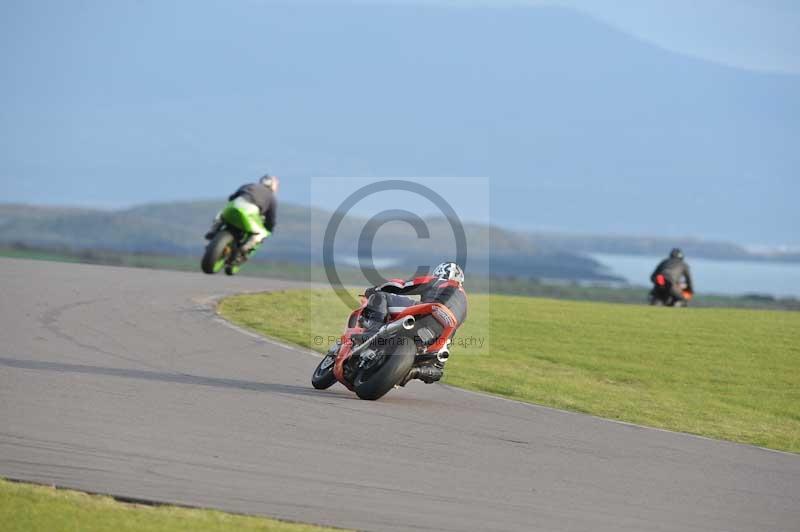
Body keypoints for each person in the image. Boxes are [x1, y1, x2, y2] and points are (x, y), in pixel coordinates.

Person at [359, 262, 467, 383]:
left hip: (426, 314)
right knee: (436, 366)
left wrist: (373, 290)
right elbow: (437, 373)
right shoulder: (464, 305)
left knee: (380, 296)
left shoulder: (438, 281)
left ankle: (372, 333)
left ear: (439, 273)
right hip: (440, 334)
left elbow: (400, 286)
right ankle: (413, 371)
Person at [206, 174, 279, 257]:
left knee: (221, 215)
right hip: (249, 212)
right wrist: (269, 229)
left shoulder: (249, 185)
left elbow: (232, 197)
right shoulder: (272, 198)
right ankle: (244, 250)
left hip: (235, 205)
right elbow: (271, 219)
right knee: (261, 233)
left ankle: (213, 230)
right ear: (273, 185)